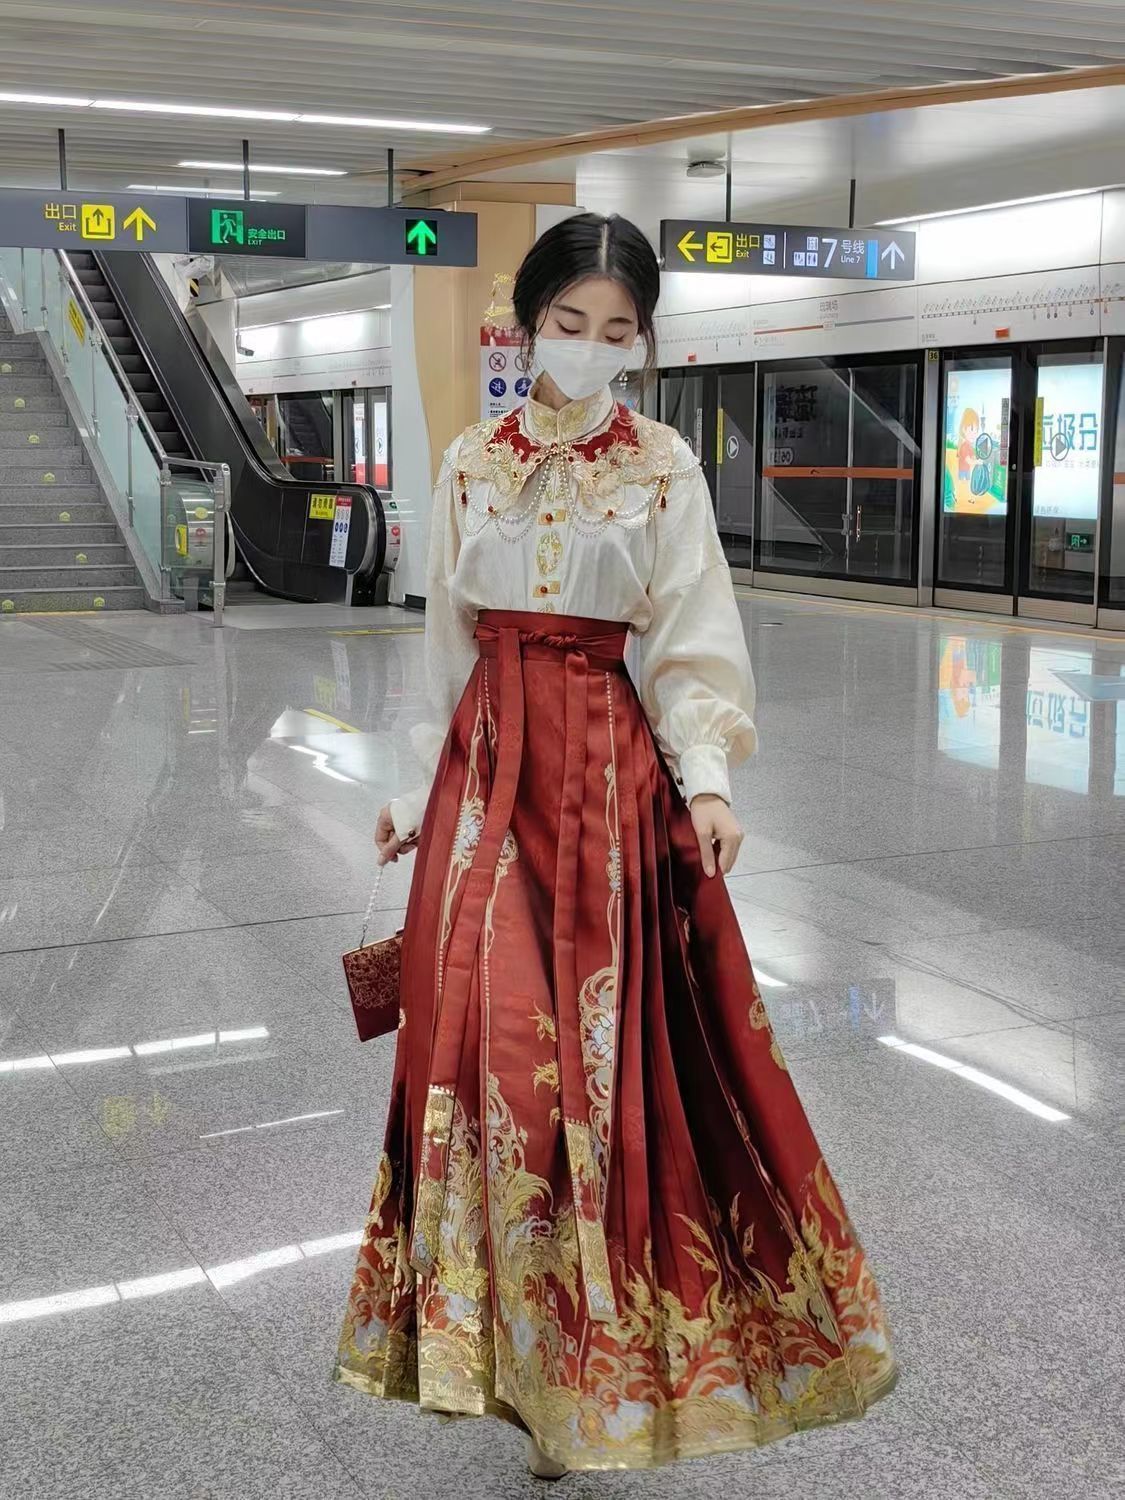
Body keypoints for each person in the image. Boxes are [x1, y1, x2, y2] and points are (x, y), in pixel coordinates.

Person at [334, 212, 897, 1477]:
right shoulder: (471, 462)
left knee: (598, 1071)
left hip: (603, 783)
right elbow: (443, 648)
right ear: (529, 323)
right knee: (488, 1064)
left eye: (616, 330)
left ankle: (596, 1372)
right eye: (569, 322)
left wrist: (708, 783)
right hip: (484, 783)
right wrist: (416, 792)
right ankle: (509, 1354)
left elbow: (691, 640)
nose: (589, 346)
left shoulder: (662, 466)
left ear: (641, 341)